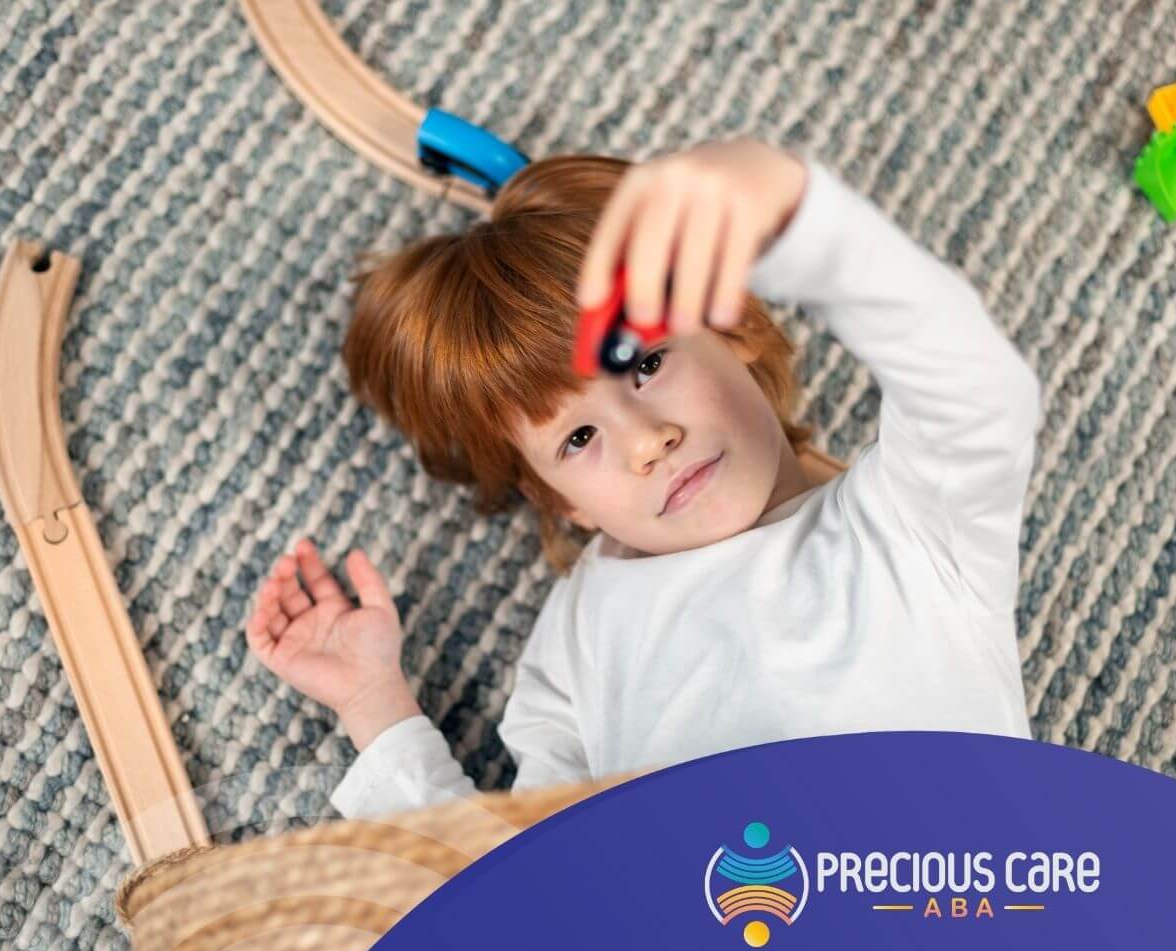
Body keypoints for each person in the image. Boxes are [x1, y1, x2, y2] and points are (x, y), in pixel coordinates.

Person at [244, 137, 1043, 820]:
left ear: (733, 329)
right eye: (579, 437)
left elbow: (975, 386)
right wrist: (375, 707)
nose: (646, 443)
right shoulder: (581, 637)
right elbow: (518, 896)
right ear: (562, 501)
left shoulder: (910, 522)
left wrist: (793, 206)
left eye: (645, 361)